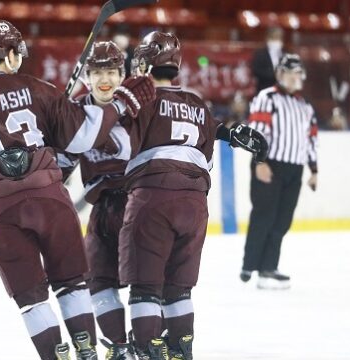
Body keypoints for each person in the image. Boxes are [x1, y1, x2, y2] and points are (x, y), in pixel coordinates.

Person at [0, 20, 155, 360]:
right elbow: (80, 138)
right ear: (11, 54)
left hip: (1, 212)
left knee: (32, 301)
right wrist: (118, 106)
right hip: (50, 200)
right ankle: (86, 351)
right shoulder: (37, 88)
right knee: (71, 283)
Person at [119, 31, 267, 359]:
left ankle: (146, 349)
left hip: (153, 199)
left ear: (143, 63)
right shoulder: (199, 104)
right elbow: (207, 161)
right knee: (179, 287)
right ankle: (181, 348)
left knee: (145, 287)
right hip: (195, 204)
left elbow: (117, 148)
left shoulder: (138, 99)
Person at [57, 41, 137, 360]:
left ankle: (150, 344)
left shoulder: (137, 105)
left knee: (146, 283)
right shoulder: (76, 110)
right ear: (87, 76)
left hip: (138, 204)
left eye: (112, 72)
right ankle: (120, 346)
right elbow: (62, 165)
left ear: (123, 75)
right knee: (98, 281)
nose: (105, 79)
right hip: (103, 209)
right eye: (98, 72)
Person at [241, 53, 319, 290]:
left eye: (298, 73)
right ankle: (250, 264)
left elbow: (311, 139)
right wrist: (260, 162)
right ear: (280, 74)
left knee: (282, 220)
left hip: (294, 169)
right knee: (264, 216)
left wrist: (314, 169)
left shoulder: (304, 106)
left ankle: (268, 268)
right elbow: (258, 132)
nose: (295, 78)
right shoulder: (268, 98)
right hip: (270, 165)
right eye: (290, 73)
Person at [251, 27, 284, 93]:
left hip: (281, 92)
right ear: (268, 39)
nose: (276, 41)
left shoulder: (285, 54)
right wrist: (274, 75)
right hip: (265, 90)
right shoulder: (260, 54)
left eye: (278, 38)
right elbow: (256, 71)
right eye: (274, 38)